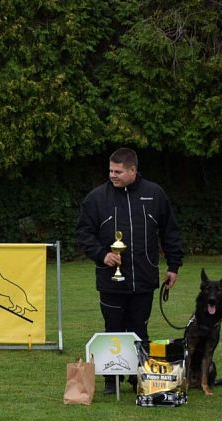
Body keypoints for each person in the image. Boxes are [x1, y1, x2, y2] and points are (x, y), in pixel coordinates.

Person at [76, 148, 184, 394]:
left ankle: (140, 378)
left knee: (139, 330)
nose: (112, 175)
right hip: (109, 280)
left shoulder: (154, 195)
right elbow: (83, 233)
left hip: (144, 278)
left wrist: (174, 266)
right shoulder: (96, 198)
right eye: (110, 171)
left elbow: (171, 232)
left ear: (133, 170)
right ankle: (111, 381)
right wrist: (102, 254)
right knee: (112, 330)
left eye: (118, 171)